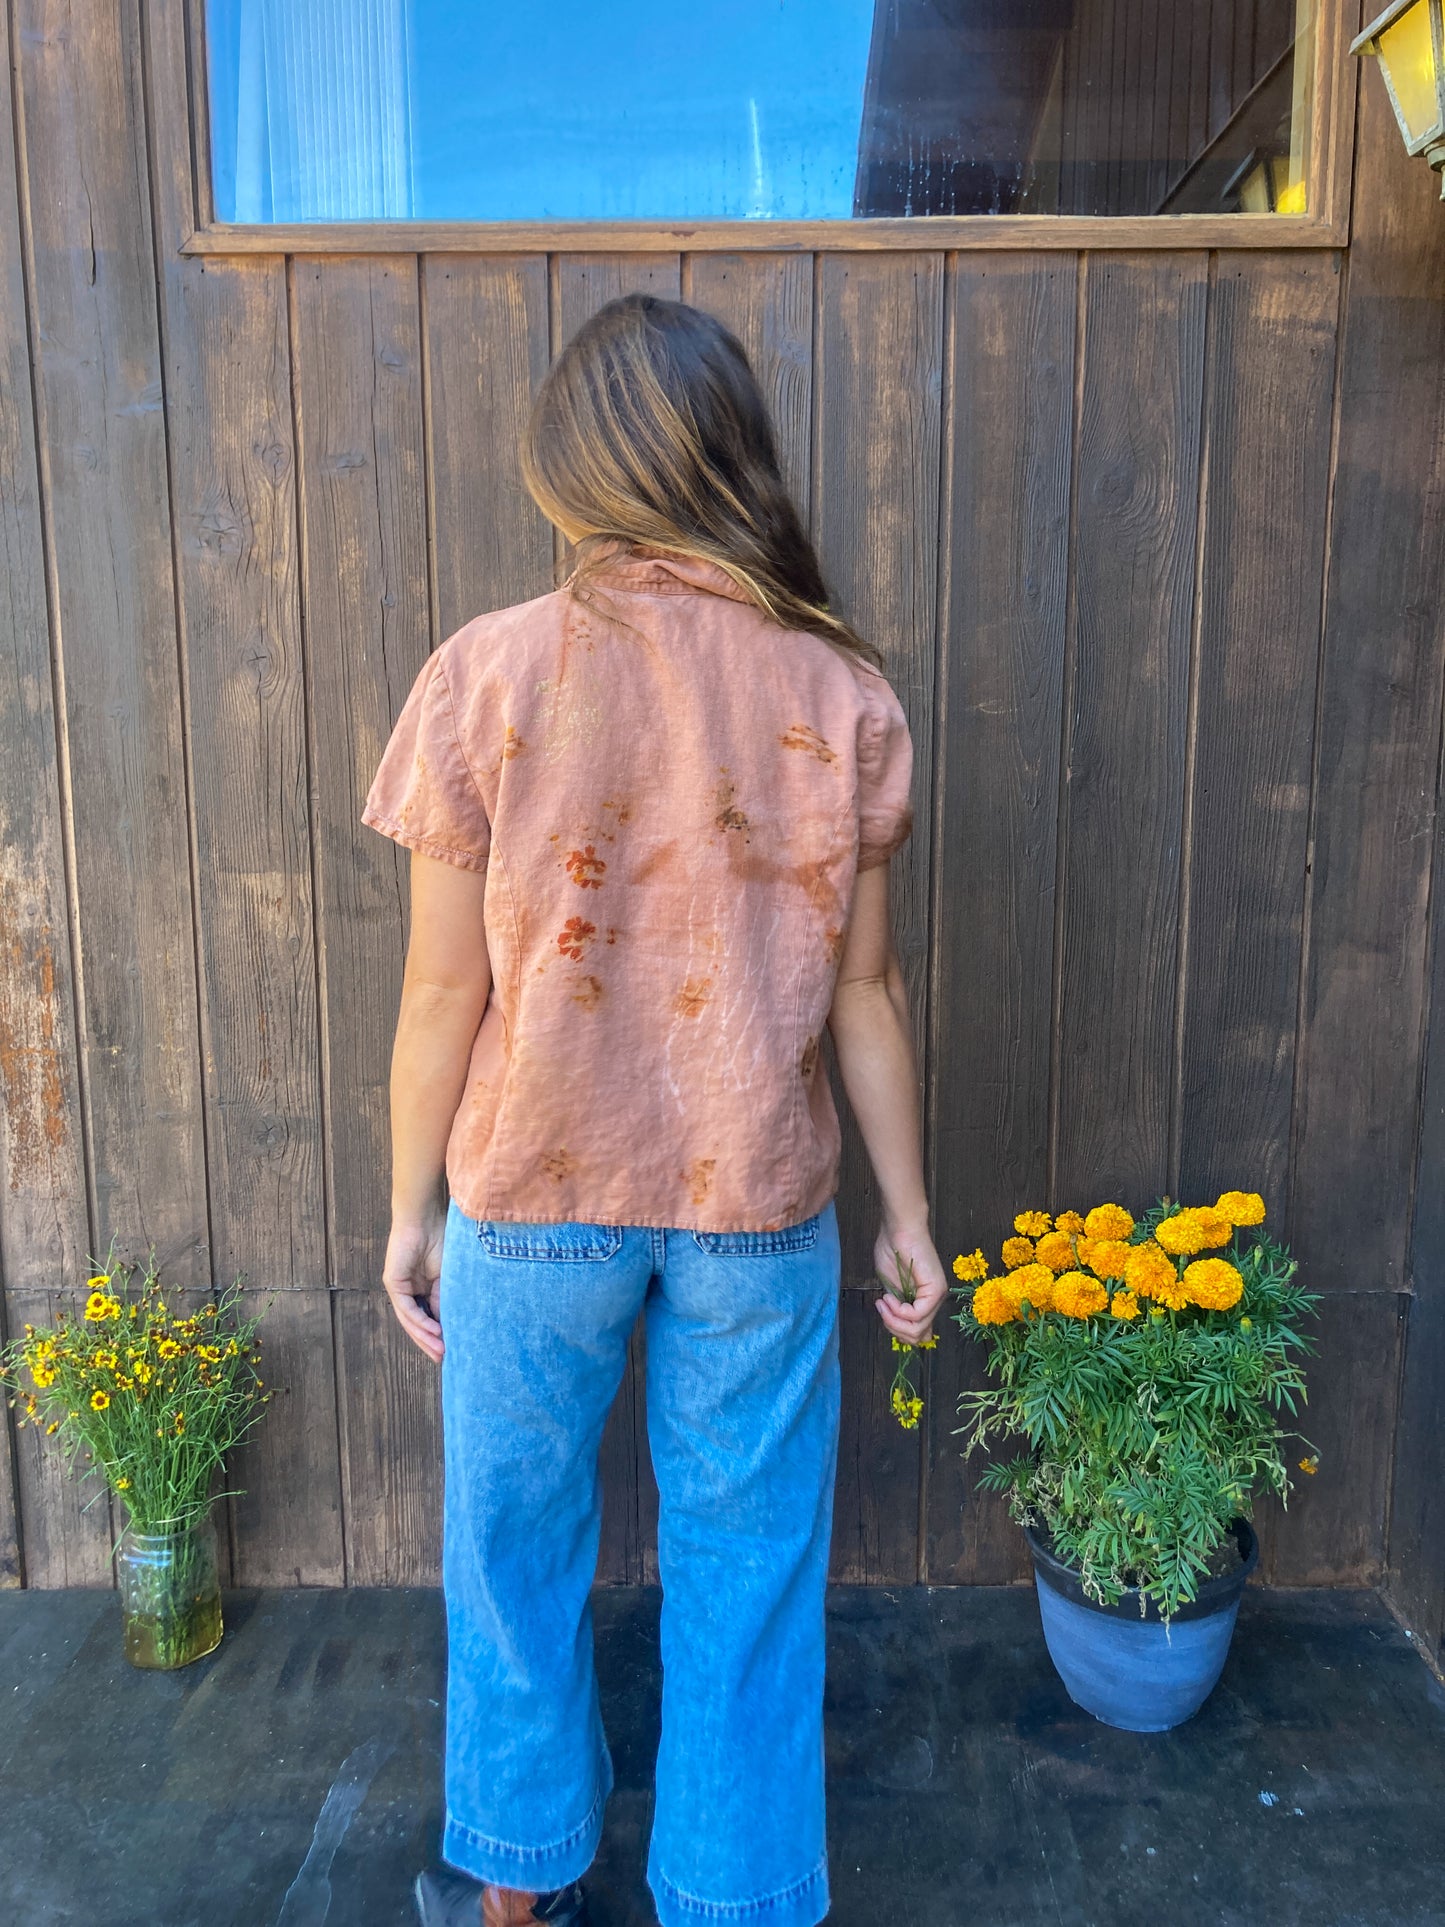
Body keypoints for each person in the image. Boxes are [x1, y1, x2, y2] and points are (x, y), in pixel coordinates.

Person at [362, 293, 947, 1927]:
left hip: (530, 1190)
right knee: (749, 1577)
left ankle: (516, 1882)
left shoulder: (485, 676)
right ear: (730, 460)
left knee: (510, 1553)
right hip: (757, 1202)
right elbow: (865, 995)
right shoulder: (840, 695)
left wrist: (412, 1209)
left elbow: (437, 997)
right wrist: (904, 1214)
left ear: (575, 472)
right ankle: (734, 1895)